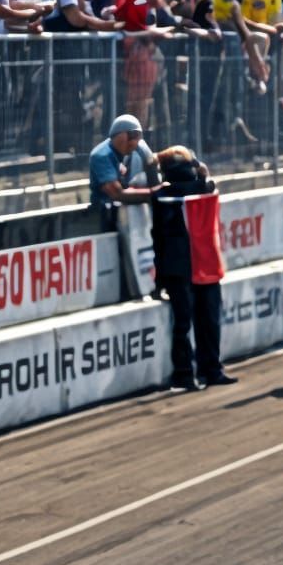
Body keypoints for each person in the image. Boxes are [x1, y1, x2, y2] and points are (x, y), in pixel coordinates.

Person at [150, 145, 234, 391]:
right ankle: (211, 370)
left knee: (184, 323)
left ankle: (185, 374)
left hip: (177, 266)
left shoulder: (161, 195)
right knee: (207, 321)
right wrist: (199, 168)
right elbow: (206, 179)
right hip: (202, 262)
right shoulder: (203, 187)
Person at [89, 113, 158, 213]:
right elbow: (116, 194)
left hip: (120, 212)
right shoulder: (102, 155)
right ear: (122, 135)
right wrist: (153, 193)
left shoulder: (121, 153)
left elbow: (150, 162)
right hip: (103, 214)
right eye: (134, 137)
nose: (135, 145)